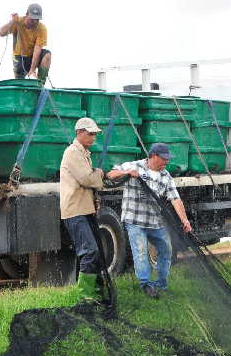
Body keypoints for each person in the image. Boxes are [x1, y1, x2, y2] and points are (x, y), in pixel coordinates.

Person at [107, 143, 192, 299]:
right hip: (134, 220)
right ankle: (145, 284)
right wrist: (127, 172)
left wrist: (185, 220)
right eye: (164, 158)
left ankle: (161, 284)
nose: (166, 162)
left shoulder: (166, 176)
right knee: (140, 251)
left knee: (166, 249)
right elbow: (110, 175)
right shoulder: (135, 166)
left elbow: (175, 199)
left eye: (168, 159)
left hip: (155, 222)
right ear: (153, 156)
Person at [60, 117, 105, 302]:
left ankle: (93, 292)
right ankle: (85, 297)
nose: (93, 137)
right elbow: (87, 178)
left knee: (94, 251)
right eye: (90, 133)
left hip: (85, 210)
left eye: (94, 134)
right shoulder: (72, 153)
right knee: (89, 251)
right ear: (79, 133)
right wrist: (101, 173)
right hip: (75, 211)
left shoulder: (85, 153)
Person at [0, 3, 51, 85]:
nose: (35, 22)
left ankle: (40, 85)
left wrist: (33, 69)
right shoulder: (18, 22)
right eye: (32, 19)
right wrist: (12, 22)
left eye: (37, 20)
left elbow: (37, 50)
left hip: (33, 56)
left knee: (47, 55)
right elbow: (1, 33)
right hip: (19, 57)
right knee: (20, 82)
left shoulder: (41, 28)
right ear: (27, 14)